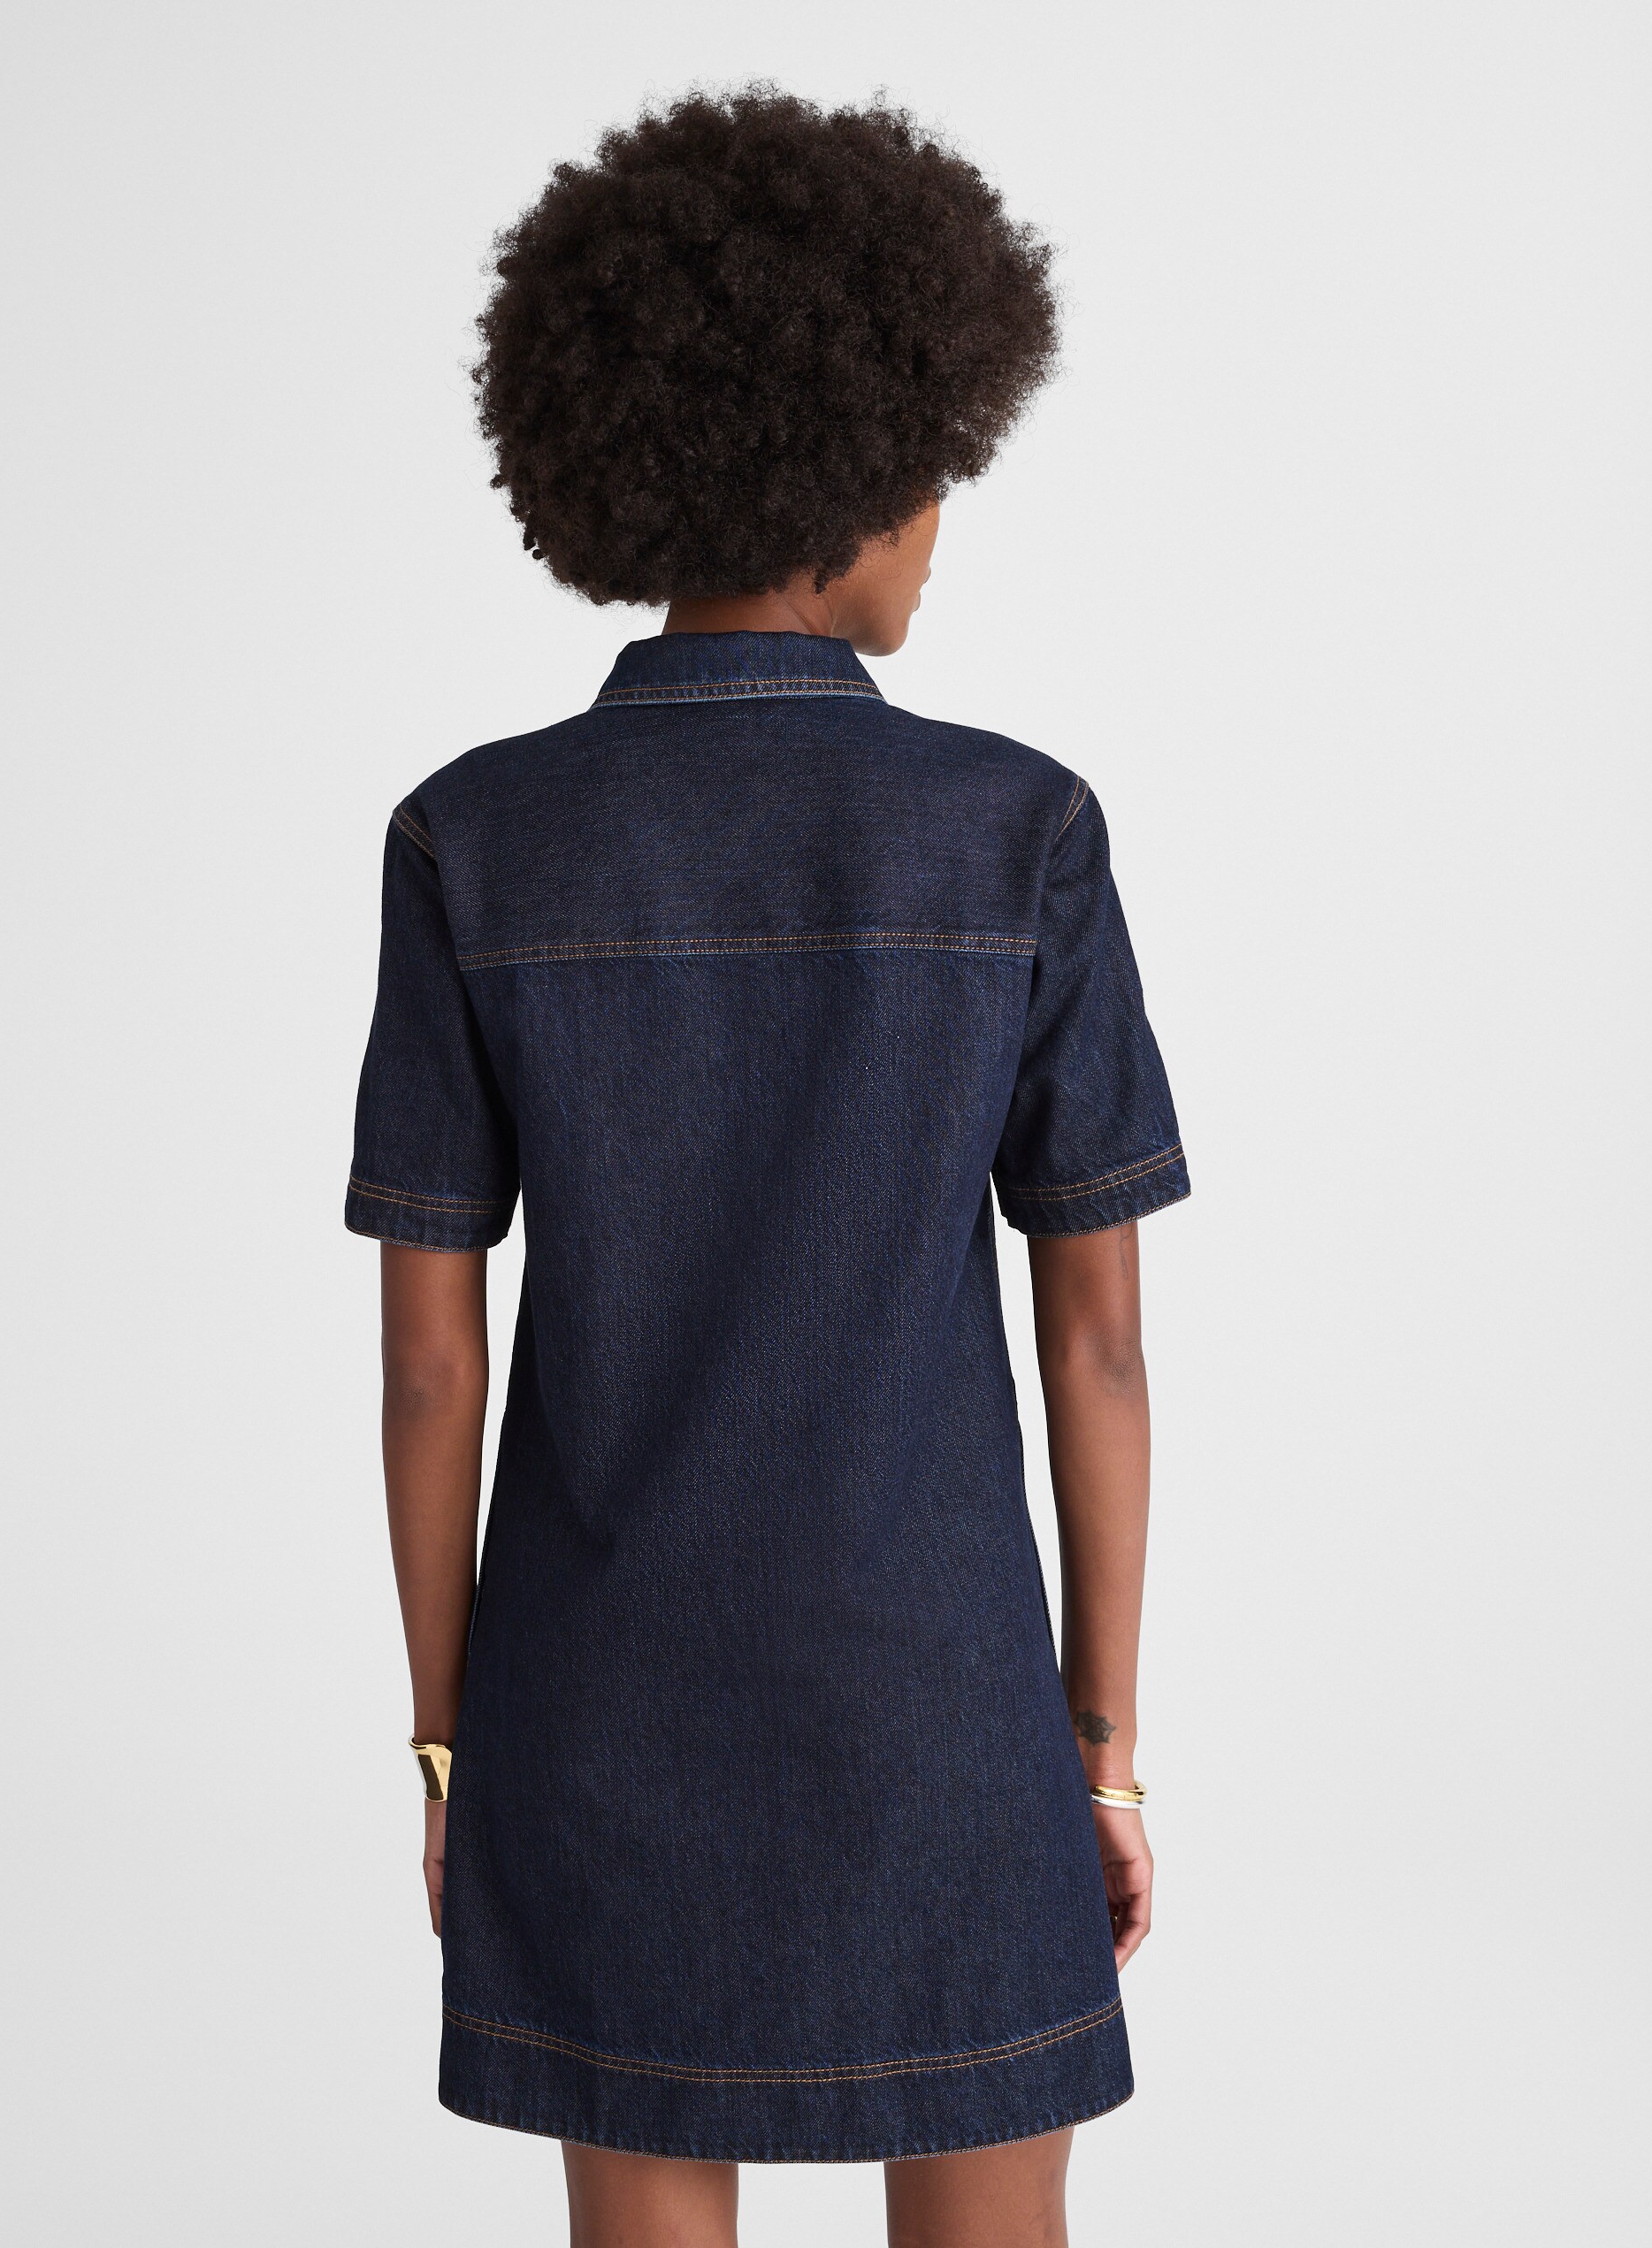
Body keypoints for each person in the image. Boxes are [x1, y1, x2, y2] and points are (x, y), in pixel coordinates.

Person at [348, 88, 1188, 2248]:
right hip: (944, 1709)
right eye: (939, 476)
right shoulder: (1016, 831)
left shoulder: (472, 836)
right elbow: (1096, 1342)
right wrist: (1098, 1746)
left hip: (594, 1708)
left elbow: (430, 1362)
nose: (942, 529)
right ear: (858, 473)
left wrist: (450, 1744)